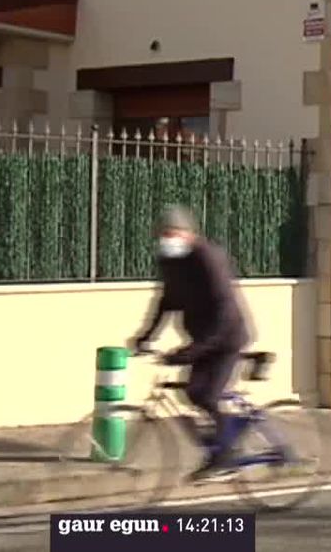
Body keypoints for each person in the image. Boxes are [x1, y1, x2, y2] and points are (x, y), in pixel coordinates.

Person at [129, 204, 251, 481]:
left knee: (206, 394)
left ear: (187, 234)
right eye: (162, 235)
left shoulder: (208, 258)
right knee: (192, 392)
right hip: (202, 338)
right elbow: (167, 301)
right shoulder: (171, 261)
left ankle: (225, 457)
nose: (166, 240)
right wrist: (146, 336)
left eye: (172, 234)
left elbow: (223, 310)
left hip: (226, 337)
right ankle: (225, 434)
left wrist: (190, 352)